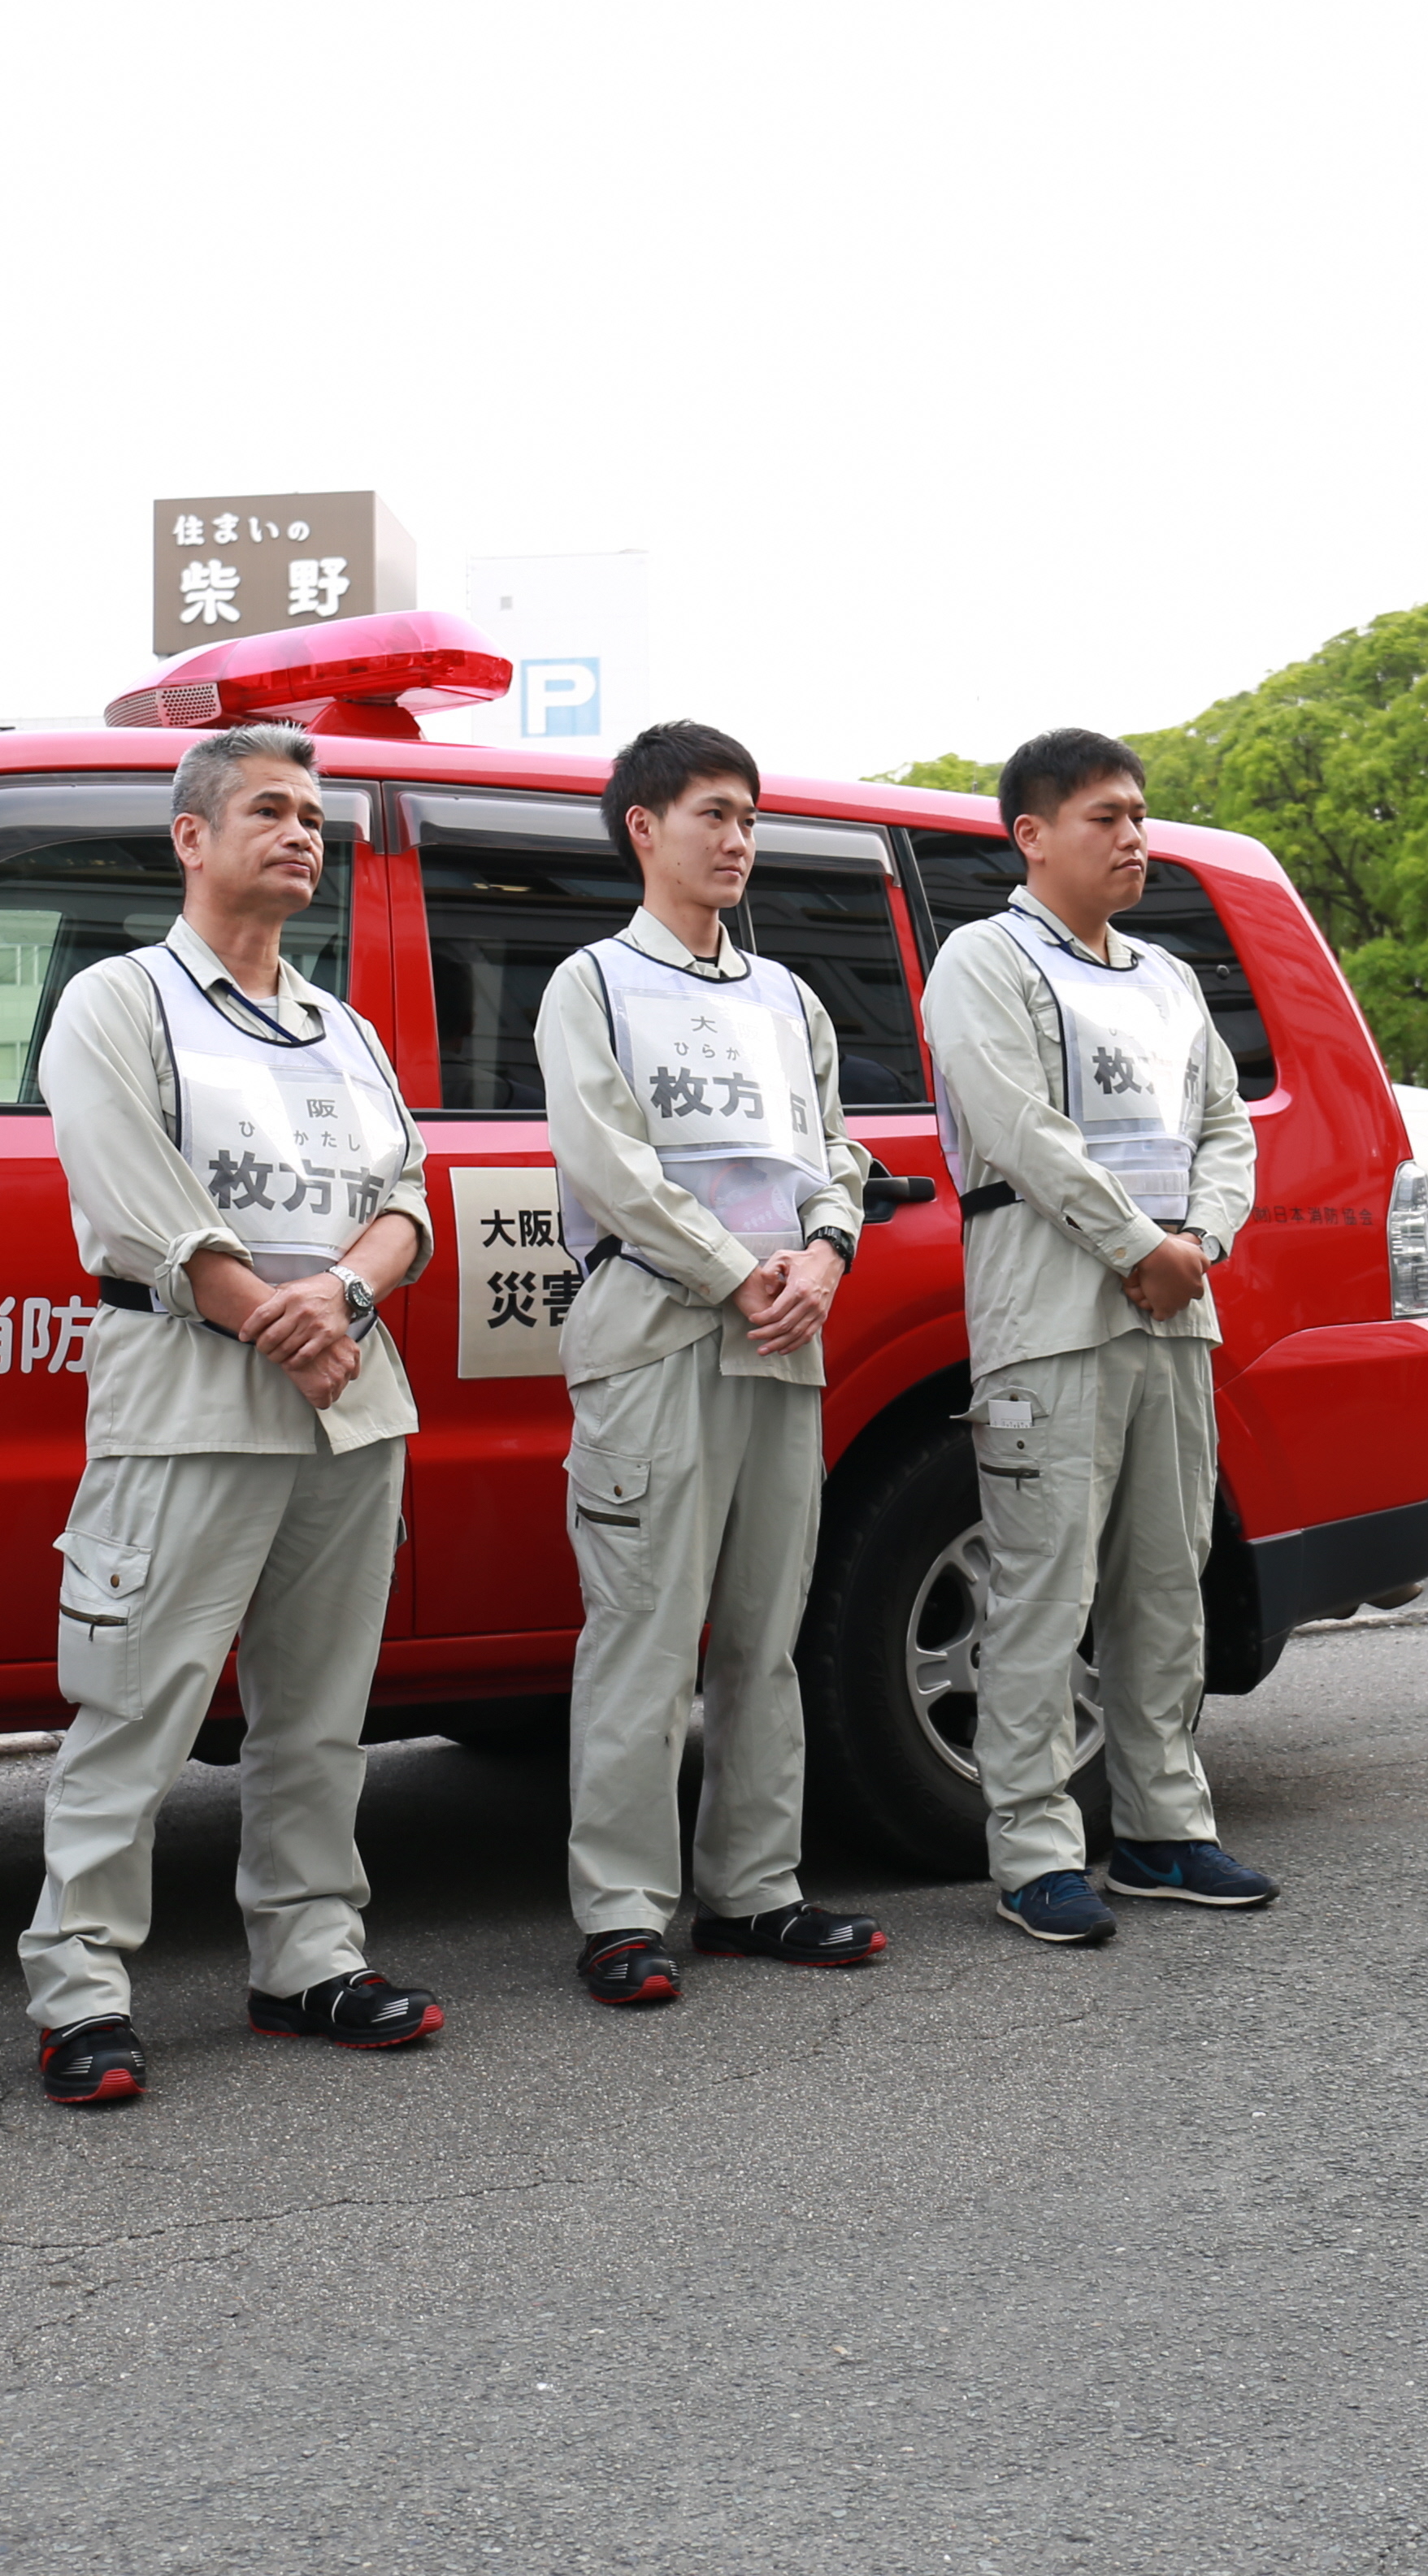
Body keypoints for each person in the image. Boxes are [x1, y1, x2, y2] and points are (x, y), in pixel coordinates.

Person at [15, 721, 442, 2105]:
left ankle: (308, 1957)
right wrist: (276, 1314)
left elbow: (405, 1202)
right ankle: (79, 1985)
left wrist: (341, 1299)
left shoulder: (344, 1028)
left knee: (319, 1716)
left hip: (345, 1405)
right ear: (190, 837)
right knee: (134, 1706)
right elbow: (138, 1194)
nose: (303, 832)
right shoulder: (120, 1002)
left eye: (315, 815)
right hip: (194, 1402)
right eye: (269, 808)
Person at [540, 721, 888, 2006]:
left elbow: (836, 1154)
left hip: (782, 1336)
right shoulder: (594, 984)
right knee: (641, 1633)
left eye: (749, 816)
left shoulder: (792, 1000)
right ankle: (623, 1912)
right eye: (712, 814)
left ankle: (756, 1891)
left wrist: (825, 1254)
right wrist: (736, 1270)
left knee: (763, 1634)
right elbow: (610, 1166)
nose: (740, 839)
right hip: (657, 1334)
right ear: (644, 826)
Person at [918, 727, 1269, 1946]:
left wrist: (1201, 1245)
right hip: (1054, 1318)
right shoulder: (984, 960)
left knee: (1167, 1582)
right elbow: (1021, 1131)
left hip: (1178, 1310)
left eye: (1139, 816)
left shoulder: (1169, 979)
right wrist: (1142, 1247)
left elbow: (1228, 1129)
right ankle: (1032, 1850)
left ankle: (1166, 1832)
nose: (1134, 837)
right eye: (1106, 818)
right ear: (1032, 835)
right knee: (1041, 1591)